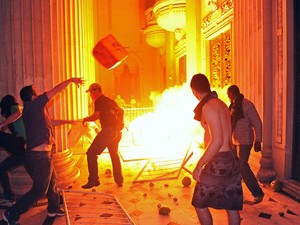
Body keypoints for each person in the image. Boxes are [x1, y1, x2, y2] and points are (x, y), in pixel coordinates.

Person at [2, 77, 84, 225]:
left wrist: (68, 121)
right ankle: (12, 213)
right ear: (33, 97)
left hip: (41, 155)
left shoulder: (32, 110)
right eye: (37, 91)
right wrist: (71, 80)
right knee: (40, 190)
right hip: (39, 157)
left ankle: (53, 209)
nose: (40, 93)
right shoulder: (35, 104)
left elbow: (50, 122)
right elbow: (57, 90)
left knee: (52, 183)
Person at [190, 74, 243, 225]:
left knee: (199, 203)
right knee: (232, 207)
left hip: (219, 162)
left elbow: (218, 140)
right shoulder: (221, 104)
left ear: (194, 91)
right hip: (231, 159)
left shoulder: (207, 107)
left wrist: (199, 165)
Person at [81, 83, 124, 189]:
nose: (90, 95)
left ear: (96, 90)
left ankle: (93, 180)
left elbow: (96, 116)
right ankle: (119, 180)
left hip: (108, 131)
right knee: (114, 154)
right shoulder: (110, 100)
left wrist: (85, 119)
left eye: (91, 92)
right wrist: (120, 124)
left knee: (91, 153)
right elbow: (121, 111)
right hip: (116, 131)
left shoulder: (99, 101)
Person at [227, 85, 264, 204]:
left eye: (228, 94)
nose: (228, 96)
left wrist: (258, 140)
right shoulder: (232, 106)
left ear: (232, 93)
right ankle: (236, 194)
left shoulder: (246, 104)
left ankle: (258, 193)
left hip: (246, 140)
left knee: (243, 166)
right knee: (236, 167)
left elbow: (257, 122)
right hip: (235, 141)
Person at [0, 95, 26, 207]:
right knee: (2, 168)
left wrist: (2, 124)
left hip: (21, 145)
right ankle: (54, 198)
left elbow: (18, 112)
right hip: (23, 147)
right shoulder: (18, 108)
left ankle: (10, 199)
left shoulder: (14, 108)